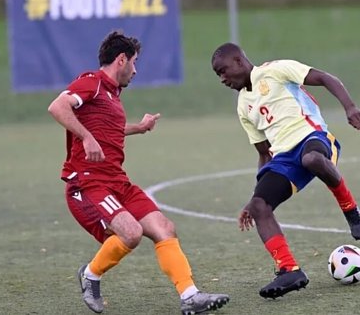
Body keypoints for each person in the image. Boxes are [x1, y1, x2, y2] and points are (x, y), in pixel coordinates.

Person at [48, 31, 229, 315]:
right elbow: (57, 106)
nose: (136, 70)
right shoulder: (92, 83)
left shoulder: (112, 95)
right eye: (134, 62)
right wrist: (85, 137)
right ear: (121, 59)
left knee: (164, 229)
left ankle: (190, 296)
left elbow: (106, 131)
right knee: (130, 233)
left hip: (117, 181)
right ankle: (90, 275)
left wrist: (138, 128)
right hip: (89, 183)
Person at [210, 43, 360, 299]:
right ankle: (289, 269)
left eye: (223, 71)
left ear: (239, 61)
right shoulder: (243, 106)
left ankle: (350, 209)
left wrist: (350, 107)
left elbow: (326, 78)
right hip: (283, 157)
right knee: (260, 206)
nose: (222, 78)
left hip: (313, 137)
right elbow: (264, 153)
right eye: (218, 74)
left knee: (312, 159)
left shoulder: (276, 70)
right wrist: (253, 199)